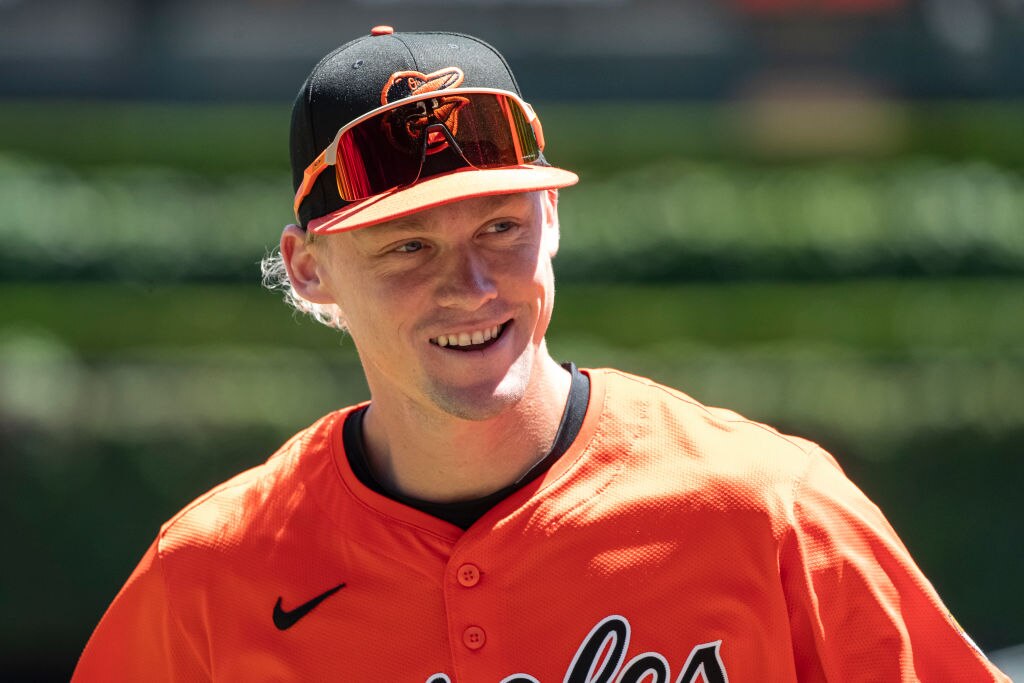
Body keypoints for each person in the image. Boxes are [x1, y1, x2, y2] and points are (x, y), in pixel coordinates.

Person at [73, 26, 1009, 682]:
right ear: (310, 269)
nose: (473, 284)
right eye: (407, 245)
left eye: (501, 227)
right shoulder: (209, 574)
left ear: (552, 220)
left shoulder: (769, 508)